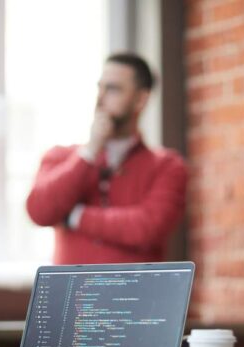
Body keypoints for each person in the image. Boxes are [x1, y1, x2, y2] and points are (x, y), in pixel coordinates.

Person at [26, 53, 187, 264]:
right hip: (75, 295)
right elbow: (40, 212)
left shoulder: (168, 166)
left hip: (135, 295)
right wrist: (89, 152)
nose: (100, 98)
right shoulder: (60, 157)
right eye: (99, 88)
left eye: (112, 89)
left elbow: (147, 228)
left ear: (140, 99)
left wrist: (74, 216)